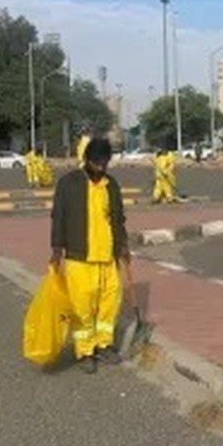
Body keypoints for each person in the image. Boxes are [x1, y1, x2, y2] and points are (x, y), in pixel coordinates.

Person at [50, 137, 130, 372]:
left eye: (105, 163)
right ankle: (86, 350)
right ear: (86, 159)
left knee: (109, 302)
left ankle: (103, 344)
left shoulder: (111, 185)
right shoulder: (69, 184)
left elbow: (118, 218)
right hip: (79, 257)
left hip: (107, 256)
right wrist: (57, 248)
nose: (101, 167)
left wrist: (123, 245)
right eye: (97, 163)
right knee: (82, 306)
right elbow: (58, 216)